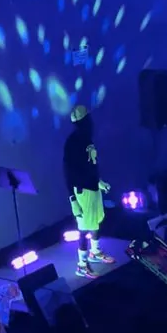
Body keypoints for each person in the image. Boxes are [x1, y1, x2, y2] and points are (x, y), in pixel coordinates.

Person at [63, 104, 115, 278]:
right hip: (82, 192)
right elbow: (68, 171)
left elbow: (89, 166)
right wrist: (73, 199)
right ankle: (82, 265)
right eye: (88, 119)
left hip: (92, 189)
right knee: (84, 228)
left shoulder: (87, 139)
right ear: (83, 121)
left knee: (96, 222)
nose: (91, 122)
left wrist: (99, 183)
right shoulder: (72, 142)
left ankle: (95, 252)